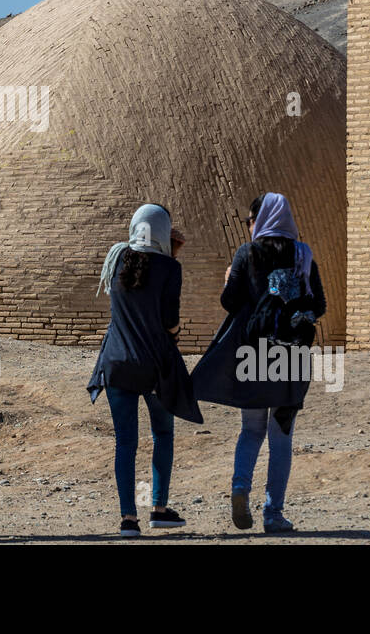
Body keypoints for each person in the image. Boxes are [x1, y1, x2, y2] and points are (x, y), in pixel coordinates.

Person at [191, 192, 326, 534]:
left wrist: (228, 280)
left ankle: (240, 489)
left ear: (259, 220)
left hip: (254, 353)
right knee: (281, 436)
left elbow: (230, 301)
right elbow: (319, 305)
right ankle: (273, 513)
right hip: (292, 355)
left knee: (251, 430)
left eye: (251, 221)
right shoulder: (303, 254)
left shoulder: (246, 253)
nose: (250, 226)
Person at [88, 203, 203, 539]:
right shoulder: (170, 268)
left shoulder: (117, 258)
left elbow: (134, 286)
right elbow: (169, 321)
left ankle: (128, 519)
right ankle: (159, 509)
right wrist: (173, 256)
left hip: (117, 364)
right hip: (154, 367)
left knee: (125, 442)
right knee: (162, 435)